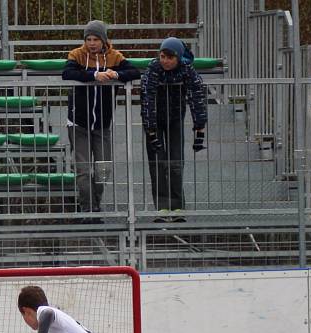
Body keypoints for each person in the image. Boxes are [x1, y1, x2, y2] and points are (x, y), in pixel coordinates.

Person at [62, 20, 140, 218]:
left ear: (104, 40)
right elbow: (68, 72)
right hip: (78, 123)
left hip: (103, 124)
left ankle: (95, 203)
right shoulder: (77, 54)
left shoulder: (115, 56)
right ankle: (88, 209)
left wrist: (116, 74)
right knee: (83, 169)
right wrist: (95, 75)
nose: (92, 43)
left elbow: (134, 72)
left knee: (104, 169)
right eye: (88, 39)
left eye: (96, 39)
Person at [140, 37, 208, 221]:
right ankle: (161, 207)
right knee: (157, 163)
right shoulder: (153, 69)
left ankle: (178, 207)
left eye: (170, 58)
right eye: (162, 56)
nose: (165, 61)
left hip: (176, 120)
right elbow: (148, 99)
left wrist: (199, 128)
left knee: (176, 162)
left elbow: (197, 97)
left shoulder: (187, 70)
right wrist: (151, 130)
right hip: (154, 122)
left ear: (178, 57)